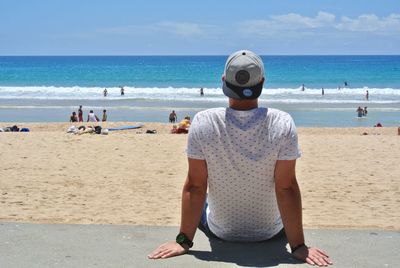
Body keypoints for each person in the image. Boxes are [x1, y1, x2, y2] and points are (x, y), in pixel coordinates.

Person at [148, 50, 332, 266]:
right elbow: (286, 187)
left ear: (223, 81)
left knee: (204, 197)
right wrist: (299, 247)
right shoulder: (282, 122)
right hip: (270, 232)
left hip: (221, 232)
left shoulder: (204, 122)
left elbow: (196, 186)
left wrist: (183, 241)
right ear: (262, 82)